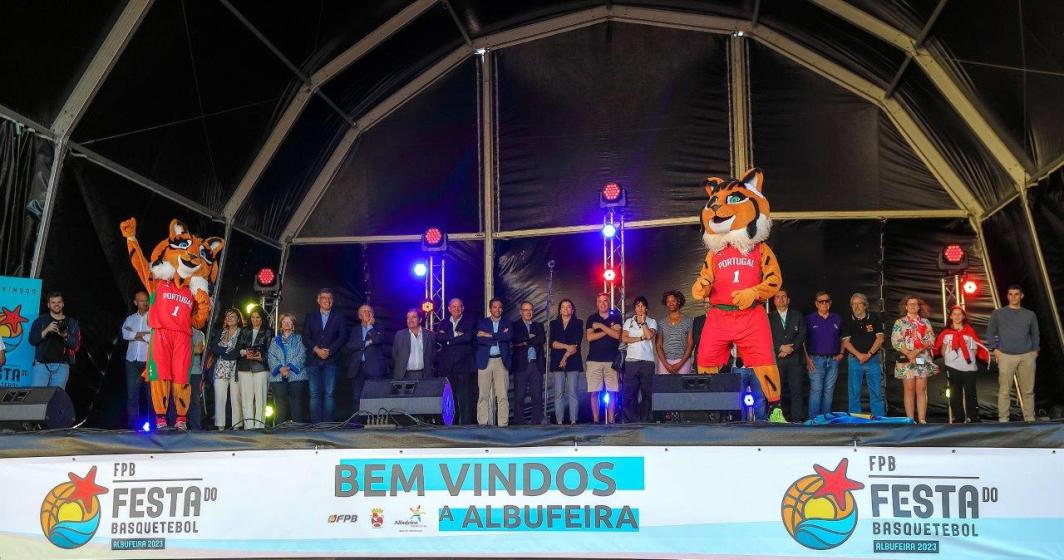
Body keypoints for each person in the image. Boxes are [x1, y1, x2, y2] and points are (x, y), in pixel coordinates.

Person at [986, 285, 1039, 422]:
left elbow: (1035, 334)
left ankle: (1030, 418)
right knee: (1005, 390)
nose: (1013, 297)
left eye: (1016, 294)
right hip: (1006, 355)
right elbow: (990, 332)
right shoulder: (998, 313)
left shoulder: (1030, 314)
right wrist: (995, 349)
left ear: (1021, 296)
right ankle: (1003, 419)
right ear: (1007, 296)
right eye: (1010, 294)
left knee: (1028, 390)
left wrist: (1035, 351)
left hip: (1026, 355)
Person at [934, 306, 989, 423]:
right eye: (955, 314)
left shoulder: (969, 331)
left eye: (960, 314)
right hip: (952, 366)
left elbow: (975, 349)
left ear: (963, 316)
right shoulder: (946, 333)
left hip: (968, 367)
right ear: (950, 316)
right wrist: (950, 359)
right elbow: (942, 349)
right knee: (954, 393)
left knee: (970, 392)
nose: (957, 316)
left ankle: (973, 417)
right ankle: (959, 418)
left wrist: (967, 358)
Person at [890, 295, 937, 423]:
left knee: (921, 389)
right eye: (910, 304)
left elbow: (930, 339)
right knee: (909, 389)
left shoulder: (925, 322)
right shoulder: (900, 322)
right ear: (906, 307)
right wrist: (908, 353)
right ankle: (910, 419)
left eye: (915, 304)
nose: (912, 306)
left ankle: (922, 419)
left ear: (918, 307)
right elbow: (895, 340)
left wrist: (916, 351)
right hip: (907, 360)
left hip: (921, 359)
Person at [303, 288, 347, 423]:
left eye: (329, 298)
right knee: (314, 395)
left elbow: (343, 337)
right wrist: (316, 349)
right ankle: (316, 425)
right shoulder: (311, 316)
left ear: (332, 301)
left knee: (329, 394)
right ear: (318, 300)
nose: (326, 300)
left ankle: (328, 425)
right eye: (324, 298)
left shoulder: (339, 317)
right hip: (313, 361)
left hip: (332, 361)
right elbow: (305, 337)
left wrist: (329, 351)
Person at [841, 293, 886, 417]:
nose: (856, 306)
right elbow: (845, 342)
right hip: (855, 360)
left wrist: (869, 354)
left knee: (876, 392)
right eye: (853, 304)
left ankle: (879, 420)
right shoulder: (847, 320)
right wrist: (860, 355)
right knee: (854, 393)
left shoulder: (874, 318)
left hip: (873, 360)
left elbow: (880, 339)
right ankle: (856, 420)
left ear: (865, 305)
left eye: (859, 303)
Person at [436, 298, 477, 425]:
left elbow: (468, 337)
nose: (456, 309)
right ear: (449, 309)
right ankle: (452, 423)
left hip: (464, 365)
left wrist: (448, 339)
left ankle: (466, 423)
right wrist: (456, 335)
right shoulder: (443, 323)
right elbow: (439, 337)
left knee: (465, 396)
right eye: (454, 307)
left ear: (463, 308)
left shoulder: (469, 322)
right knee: (450, 397)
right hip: (448, 366)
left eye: (459, 306)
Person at [768, 290, 807, 421]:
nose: (781, 299)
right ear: (774, 301)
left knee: (796, 391)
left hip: (795, 360)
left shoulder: (797, 315)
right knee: (777, 392)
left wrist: (790, 349)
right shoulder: (769, 317)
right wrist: (780, 347)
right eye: (777, 297)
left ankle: (797, 419)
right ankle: (778, 418)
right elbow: (766, 337)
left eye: (784, 297)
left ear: (788, 300)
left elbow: (802, 335)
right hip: (777, 360)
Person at [28, 292, 80, 389]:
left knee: (56, 400)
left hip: (62, 367)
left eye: (59, 302)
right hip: (42, 366)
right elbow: (31, 340)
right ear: (48, 305)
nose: (56, 304)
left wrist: (65, 335)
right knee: (36, 398)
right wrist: (46, 330)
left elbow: (75, 345)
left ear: (63, 304)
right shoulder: (40, 320)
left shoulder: (72, 323)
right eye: (53, 302)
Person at [804, 291, 843, 419]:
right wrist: (807, 358)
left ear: (830, 303)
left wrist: (841, 353)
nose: (824, 303)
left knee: (829, 392)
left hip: (833, 360)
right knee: (816, 391)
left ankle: (825, 420)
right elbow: (802, 340)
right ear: (816, 304)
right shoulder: (809, 319)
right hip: (815, 360)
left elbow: (844, 338)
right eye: (821, 301)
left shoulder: (837, 318)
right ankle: (814, 421)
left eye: (827, 301)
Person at [585, 293, 622, 424]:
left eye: (605, 301)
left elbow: (617, 335)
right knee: (594, 392)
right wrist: (608, 330)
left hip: (611, 361)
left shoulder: (616, 317)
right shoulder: (591, 318)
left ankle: (611, 421)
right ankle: (596, 421)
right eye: (600, 301)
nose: (603, 303)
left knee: (612, 392)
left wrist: (600, 327)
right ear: (597, 303)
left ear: (609, 302)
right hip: (594, 361)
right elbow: (590, 337)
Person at [476, 298, 513, 426]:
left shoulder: (507, 323)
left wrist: (489, 335)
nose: (497, 309)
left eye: (500, 307)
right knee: (483, 396)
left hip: (501, 361)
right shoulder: (482, 322)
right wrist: (498, 336)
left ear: (502, 309)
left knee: (502, 396)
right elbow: (479, 340)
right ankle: (482, 423)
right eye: (495, 307)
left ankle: (503, 424)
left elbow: (508, 337)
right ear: (490, 309)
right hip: (485, 362)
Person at [622, 296, 657, 423]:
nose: (640, 308)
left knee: (647, 392)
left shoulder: (652, 321)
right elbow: (625, 339)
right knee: (630, 392)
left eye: (642, 306)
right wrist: (640, 338)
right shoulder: (628, 322)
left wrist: (643, 323)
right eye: (637, 306)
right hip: (631, 361)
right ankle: (632, 419)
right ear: (635, 308)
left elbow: (649, 336)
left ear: (646, 308)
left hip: (647, 362)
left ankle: (646, 419)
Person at [346, 304, 386, 414]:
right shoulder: (354, 330)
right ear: (359, 316)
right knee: (356, 397)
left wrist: (370, 327)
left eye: (369, 311)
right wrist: (367, 343)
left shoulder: (379, 327)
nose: (367, 313)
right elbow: (350, 346)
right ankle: (357, 422)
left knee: (374, 395)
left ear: (373, 314)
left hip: (374, 367)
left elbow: (378, 339)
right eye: (364, 311)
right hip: (357, 368)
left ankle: (374, 421)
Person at [268, 313, 307, 424]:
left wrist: (289, 367)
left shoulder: (299, 339)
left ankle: (297, 430)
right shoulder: (274, 340)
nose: (286, 324)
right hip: (278, 377)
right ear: (281, 325)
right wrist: (280, 369)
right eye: (284, 322)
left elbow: (302, 354)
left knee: (297, 403)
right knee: (280, 405)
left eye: (289, 322)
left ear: (293, 325)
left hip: (296, 376)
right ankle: (280, 431)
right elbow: (271, 356)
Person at [511, 301, 546, 425]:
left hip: (536, 365)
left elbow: (541, 339)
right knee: (519, 397)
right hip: (521, 366)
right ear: (521, 312)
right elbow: (515, 339)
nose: (528, 312)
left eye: (530, 310)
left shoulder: (539, 325)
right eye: (525, 310)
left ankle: (535, 423)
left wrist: (525, 342)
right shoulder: (515, 326)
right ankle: (519, 423)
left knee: (537, 396)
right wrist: (530, 338)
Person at [549, 299, 583, 425]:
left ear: (572, 310)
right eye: (563, 307)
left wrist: (564, 358)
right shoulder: (554, 324)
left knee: (573, 392)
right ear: (560, 310)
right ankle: (559, 421)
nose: (566, 309)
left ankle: (573, 421)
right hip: (557, 362)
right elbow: (552, 343)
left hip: (573, 361)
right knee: (558, 393)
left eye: (569, 307)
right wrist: (565, 346)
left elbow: (575, 345)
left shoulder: (578, 323)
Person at [121, 290, 151, 430]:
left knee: (151, 397)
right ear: (135, 303)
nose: (145, 303)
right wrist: (144, 335)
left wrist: (137, 335)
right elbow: (125, 334)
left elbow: (153, 337)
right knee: (132, 396)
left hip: (148, 362)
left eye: (146, 300)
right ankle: (133, 428)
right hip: (132, 362)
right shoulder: (130, 319)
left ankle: (155, 426)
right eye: (141, 301)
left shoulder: (154, 318)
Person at [210, 308, 243, 430]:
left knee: (236, 398)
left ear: (238, 319)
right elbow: (213, 348)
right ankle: (220, 426)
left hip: (236, 369)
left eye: (232, 316)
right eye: (227, 316)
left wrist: (223, 351)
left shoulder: (242, 332)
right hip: (220, 368)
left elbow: (237, 352)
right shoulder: (221, 332)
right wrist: (227, 351)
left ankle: (236, 426)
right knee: (219, 398)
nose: (229, 318)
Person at [238, 307, 271, 429]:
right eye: (252, 317)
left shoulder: (268, 332)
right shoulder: (244, 330)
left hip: (261, 368)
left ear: (262, 319)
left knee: (260, 399)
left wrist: (260, 356)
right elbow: (238, 348)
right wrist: (245, 352)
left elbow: (270, 351)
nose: (255, 320)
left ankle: (259, 427)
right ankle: (248, 427)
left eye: (257, 317)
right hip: (245, 367)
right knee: (246, 399)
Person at [655, 290, 693, 375]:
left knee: (682, 387)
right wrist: (666, 364)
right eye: (668, 301)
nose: (670, 303)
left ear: (678, 301)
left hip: (683, 360)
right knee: (665, 387)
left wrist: (681, 363)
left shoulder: (688, 321)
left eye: (673, 301)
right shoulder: (661, 323)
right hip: (665, 361)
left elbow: (690, 344)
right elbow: (658, 345)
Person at [392, 309, 436, 380]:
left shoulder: (430, 335)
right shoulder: (400, 335)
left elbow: (433, 355)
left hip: (424, 375)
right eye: (408, 318)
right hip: (404, 375)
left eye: (413, 317)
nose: (410, 320)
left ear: (420, 319)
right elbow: (395, 355)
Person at [188, 327, 206, 430]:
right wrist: (191, 348)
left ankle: (195, 428)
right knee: (177, 400)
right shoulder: (177, 331)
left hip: (194, 371)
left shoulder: (198, 333)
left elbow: (198, 350)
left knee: (194, 400)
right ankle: (177, 426)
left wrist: (180, 347)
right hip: (178, 371)